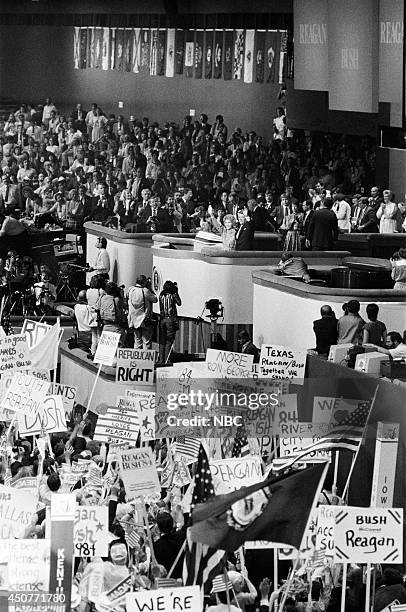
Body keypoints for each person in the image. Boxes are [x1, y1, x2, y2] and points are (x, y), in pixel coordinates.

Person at [127, 275, 158, 350]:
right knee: (146, 341)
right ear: (144, 282)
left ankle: (136, 359)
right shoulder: (145, 291)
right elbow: (155, 299)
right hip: (144, 319)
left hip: (133, 319)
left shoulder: (131, 290)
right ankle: (145, 360)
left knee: (137, 340)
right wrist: (150, 288)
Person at [152, 512, 185, 579]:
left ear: (158, 528)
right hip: (184, 575)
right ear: (172, 523)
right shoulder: (182, 536)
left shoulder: (156, 545)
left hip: (168, 579)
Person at [159, 280, 181, 363]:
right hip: (170, 319)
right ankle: (167, 360)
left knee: (162, 340)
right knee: (169, 340)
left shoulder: (161, 295)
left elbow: (161, 308)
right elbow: (179, 303)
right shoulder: (173, 295)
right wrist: (176, 292)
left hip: (162, 319)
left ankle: (161, 360)